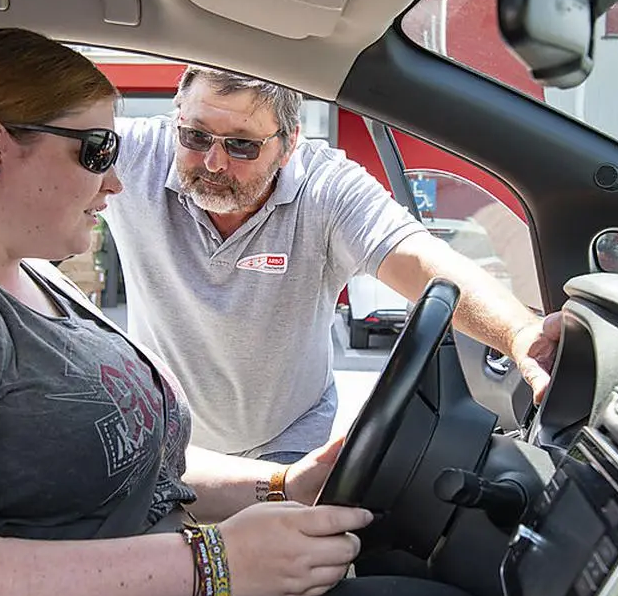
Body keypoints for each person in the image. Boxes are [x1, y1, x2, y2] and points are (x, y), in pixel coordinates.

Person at [0, 28, 512, 596]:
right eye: (95, 152)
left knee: (427, 582)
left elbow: (128, 463)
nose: (116, 182)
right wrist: (219, 563)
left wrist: (283, 485)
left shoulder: (22, 273)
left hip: (161, 580)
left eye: (114, 152)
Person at [104, 67, 561, 464]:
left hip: (285, 440)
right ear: (176, 120)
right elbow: (45, 151)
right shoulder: (134, 154)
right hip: (164, 432)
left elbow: (421, 260)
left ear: (289, 145)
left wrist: (520, 334)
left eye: (242, 146)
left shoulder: (326, 189)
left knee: (277, 557)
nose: (213, 162)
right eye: (196, 136)